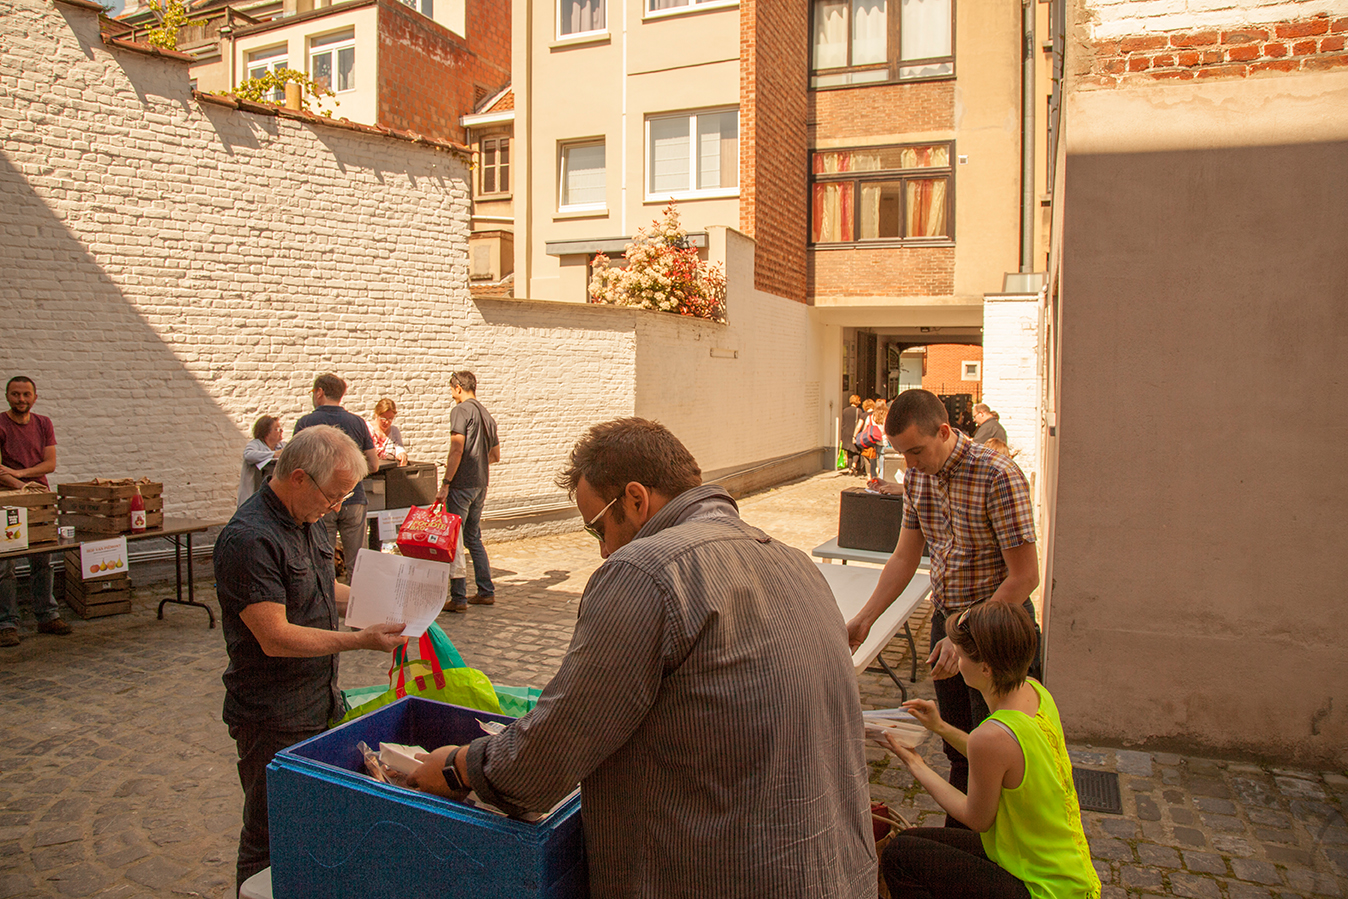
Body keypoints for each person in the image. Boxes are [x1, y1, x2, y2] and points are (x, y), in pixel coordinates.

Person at [408, 418, 877, 899]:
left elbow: (552, 750)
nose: (604, 550)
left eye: (598, 529)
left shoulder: (646, 569)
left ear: (636, 499)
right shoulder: (797, 561)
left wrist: (458, 767)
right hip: (836, 873)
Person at [214, 425, 406, 894]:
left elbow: (322, 591)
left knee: (315, 823)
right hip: (272, 716)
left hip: (319, 703)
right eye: (334, 496)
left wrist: (389, 600)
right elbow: (275, 637)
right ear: (298, 477)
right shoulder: (249, 539)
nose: (337, 507)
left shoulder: (308, 519)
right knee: (267, 835)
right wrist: (361, 640)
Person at [847, 388, 1039, 824]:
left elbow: (1026, 577)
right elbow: (905, 557)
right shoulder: (917, 477)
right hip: (949, 624)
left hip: (997, 632)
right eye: (901, 454)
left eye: (915, 451)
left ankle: (1005, 854)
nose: (909, 465)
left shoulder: (998, 475)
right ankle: (967, 840)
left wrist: (966, 631)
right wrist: (865, 619)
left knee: (1006, 748)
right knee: (959, 749)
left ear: (946, 431)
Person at [879, 602, 1099, 899]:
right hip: (1067, 874)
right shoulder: (1035, 691)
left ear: (985, 668)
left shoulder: (991, 736)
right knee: (911, 842)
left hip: (1042, 889)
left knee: (900, 856)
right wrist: (940, 726)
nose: (954, 657)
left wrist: (914, 762)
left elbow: (977, 819)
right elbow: (1000, 755)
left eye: (960, 653)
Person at [0, 376, 71, 647]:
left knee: (43, 559)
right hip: (7, 501)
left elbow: (49, 464)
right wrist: (20, 485)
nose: (21, 399)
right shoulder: (0, 424)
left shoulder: (43, 423)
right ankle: (7, 623)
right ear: (8, 396)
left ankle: (47, 615)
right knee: (5, 564)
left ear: (35, 397)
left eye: (26, 394)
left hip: (39, 498)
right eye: (16, 394)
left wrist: (21, 475)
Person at [293, 374, 379, 578]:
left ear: (320, 392)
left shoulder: (306, 422)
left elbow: (296, 463)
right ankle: (359, 605)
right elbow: (373, 464)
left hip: (319, 500)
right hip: (353, 497)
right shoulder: (357, 423)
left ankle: (329, 604)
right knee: (358, 563)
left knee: (322, 560)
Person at [433, 371, 499, 612]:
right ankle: (485, 591)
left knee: (455, 539)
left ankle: (458, 598)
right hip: (481, 483)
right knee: (473, 537)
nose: (451, 394)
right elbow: (495, 456)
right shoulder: (487, 415)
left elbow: (456, 449)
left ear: (458, 387)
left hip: (461, 485)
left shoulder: (460, 411)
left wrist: (446, 482)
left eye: (452, 389)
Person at [237, 415, 284, 507]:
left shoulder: (282, 446)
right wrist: (273, 454)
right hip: (252, 495)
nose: (281, 432)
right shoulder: (255, 444)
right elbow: (248, 455)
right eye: (276, 429)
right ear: (267, 432)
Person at [368, 398, 408, 465]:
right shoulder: (367, 429)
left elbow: (399, 447)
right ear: (376, 415)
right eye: (383, 418)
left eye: (390, 419)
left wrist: (402, 454)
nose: (386, 422)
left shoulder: (394, 431)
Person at [841, 394, 863, 475]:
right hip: (854, 433)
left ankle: (850, 469)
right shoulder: (859, 411)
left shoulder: (845, 410)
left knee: (849, 452)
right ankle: (854, 466)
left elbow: (843, 423)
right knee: (856, 451)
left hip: (846, 433)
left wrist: (841, 435)